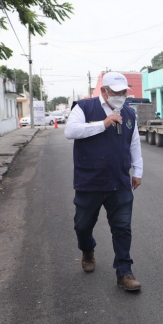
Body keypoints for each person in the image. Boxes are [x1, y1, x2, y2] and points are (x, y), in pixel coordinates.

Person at [64, 72, 143, 291]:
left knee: (122, 228)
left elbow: (134, 143)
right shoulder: (84, 108)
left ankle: (124, 272)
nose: (120, 96)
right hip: (90, 181)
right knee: (83, 225)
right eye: (115, 92)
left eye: (123, 92)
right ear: (103, 91)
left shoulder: (129, 113)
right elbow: (70, 131)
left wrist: (138, 170)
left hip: (119, 181)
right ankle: (87, 249)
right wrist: (103, 123)